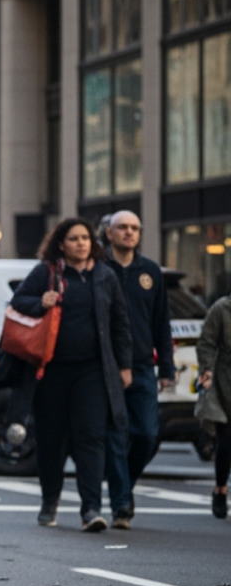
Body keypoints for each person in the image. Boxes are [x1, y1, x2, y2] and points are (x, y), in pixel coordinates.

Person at [10, 217, 132, 532]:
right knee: (52, 440)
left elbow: (120, 323)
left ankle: (91, 509)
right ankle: (49, 502)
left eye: (85, 238)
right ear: (61, 244)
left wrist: (124, 365)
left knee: (91, 438)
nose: (81, 243)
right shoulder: (46, 273)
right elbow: (17, 303)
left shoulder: (105, 276)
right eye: (74, 238)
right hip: (50, 371)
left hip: (92, 371)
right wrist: (40, 301)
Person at [99, 210, 175, 529]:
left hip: (144, 366)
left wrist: (168, 367)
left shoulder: (151, 272)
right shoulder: (99, 269)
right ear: (109, 233)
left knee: (147, 433)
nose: (129, 233)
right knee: (116, 436)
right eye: (122, 228)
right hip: (107, 366)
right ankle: (120, 505)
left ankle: (124, 486)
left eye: (134, 228)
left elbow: (161, 323)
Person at [194, 293, 231, 520]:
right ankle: (220, 489)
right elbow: (206, 342)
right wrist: (206, 370)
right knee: (226, 441)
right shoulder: (222, 309)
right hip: (224, 383)